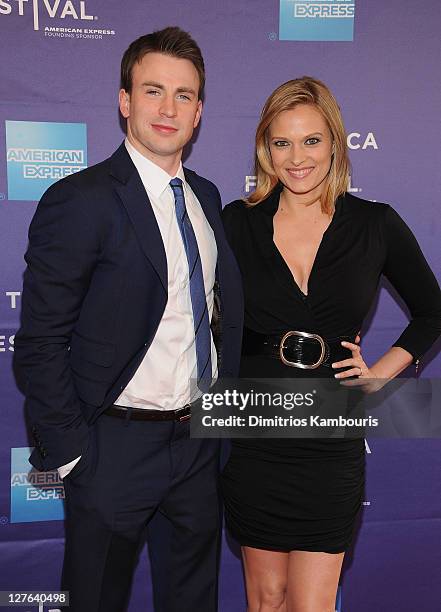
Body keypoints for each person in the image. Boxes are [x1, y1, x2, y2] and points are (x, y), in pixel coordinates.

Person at [14, 27, 243, 612]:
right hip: (112, 445)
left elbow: (218, 318)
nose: (168, 109)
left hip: (197, 442)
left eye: (184, 95)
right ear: (124, 100)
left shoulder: (208, 198)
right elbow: (40, 342)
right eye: (153, 90)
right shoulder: (81, 199)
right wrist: (74, 455)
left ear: (198, 113)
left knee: (193, 600)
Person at [220, 76, 441, 612]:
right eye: (282, 143)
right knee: (266, 599)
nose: (297, 158)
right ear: (265, 149)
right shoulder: (236, 222)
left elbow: (432, 310)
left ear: (336, 143)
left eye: (312, 140)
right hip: (256, 430)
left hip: (329, 438)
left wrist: (383, 371)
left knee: (312, 605)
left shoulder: (375, 224)